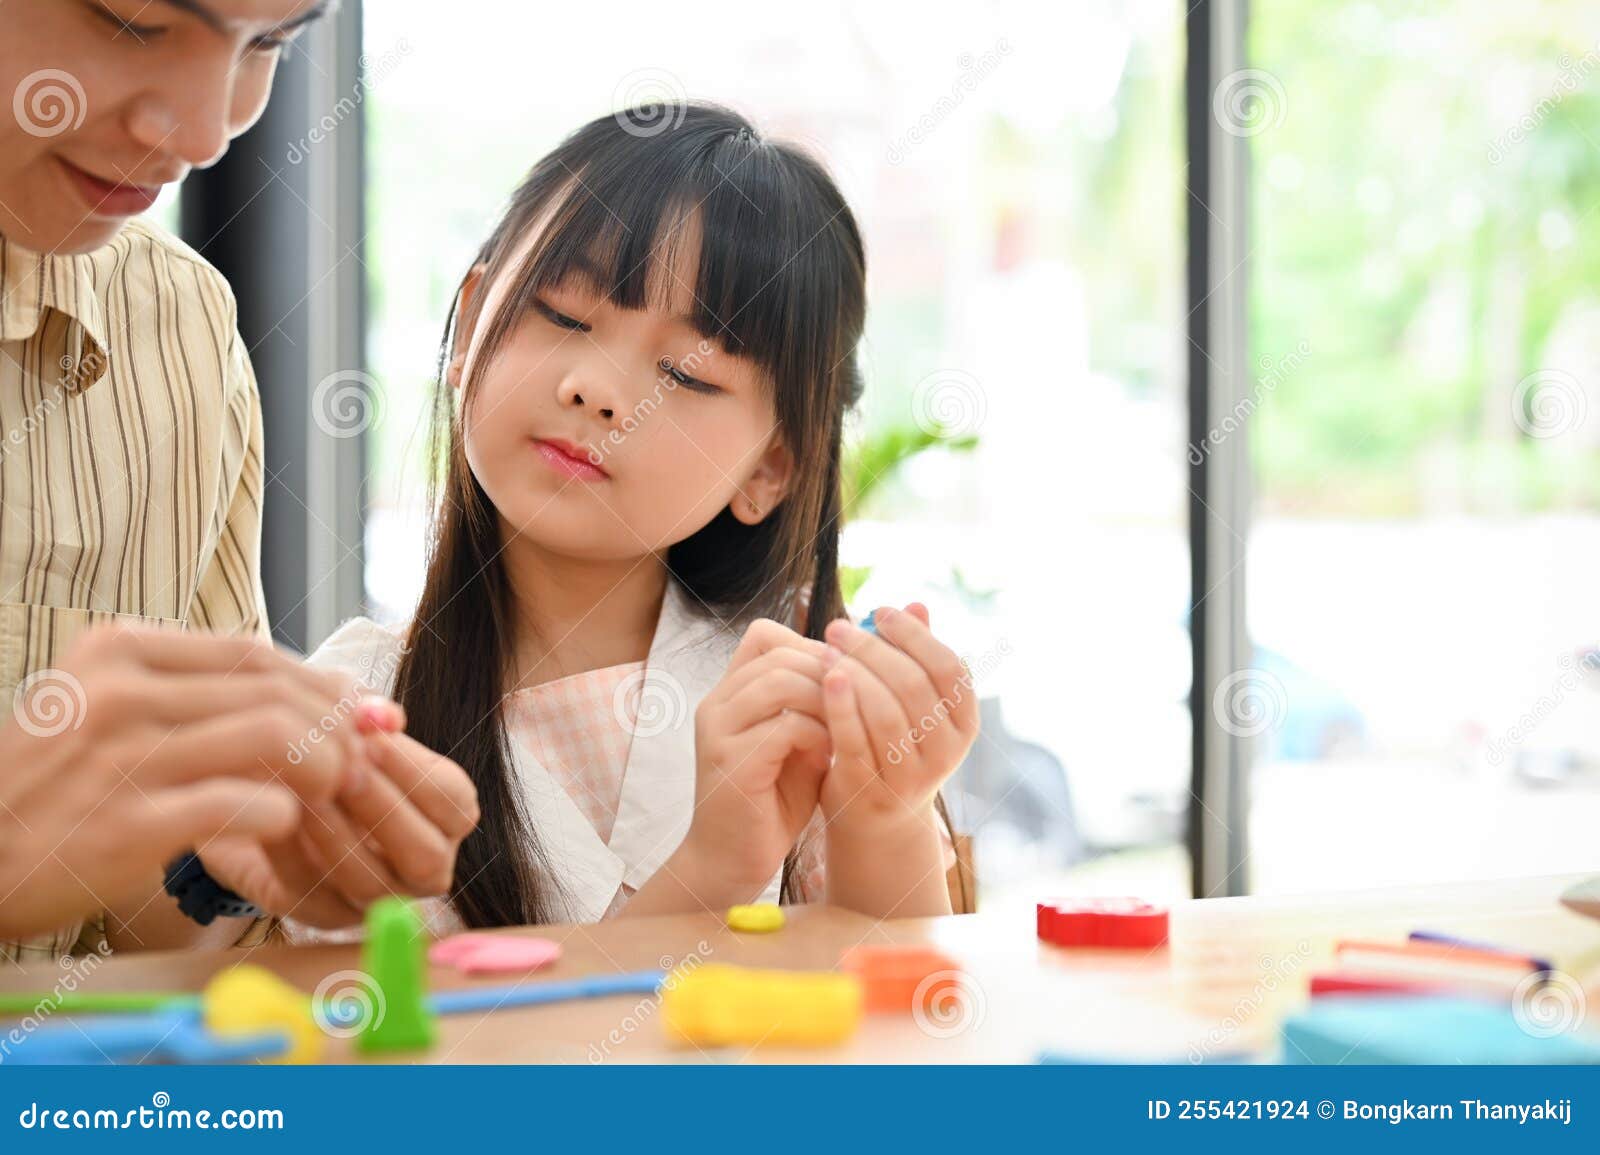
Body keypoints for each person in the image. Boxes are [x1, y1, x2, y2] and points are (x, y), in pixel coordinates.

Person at [297, 104, 977, 941]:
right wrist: (709, 872)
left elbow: (908, 1034)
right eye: (564, 314)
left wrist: (884, 812)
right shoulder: (351, 706)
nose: (600, 389)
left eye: (686, 375)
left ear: (770, 467)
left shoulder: (794, 688)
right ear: (471, 323)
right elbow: (411, 1059)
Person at [0, 0, 476, 955]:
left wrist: (220, 875)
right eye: (131, 20)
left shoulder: (175, 327)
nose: (207, 133)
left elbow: (138, 955)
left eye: (270, 44)